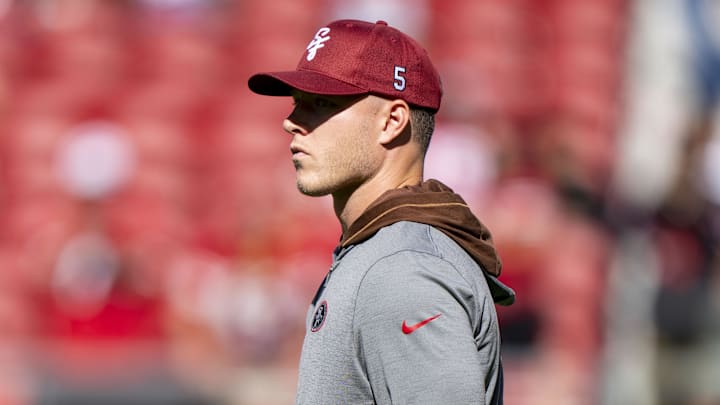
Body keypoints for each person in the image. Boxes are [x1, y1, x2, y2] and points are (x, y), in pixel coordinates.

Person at [247, 18, 515, 404]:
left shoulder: (404, 269)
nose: (291, 122)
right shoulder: (382, 252)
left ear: (392, 122)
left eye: (322, 103)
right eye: (297, 103)